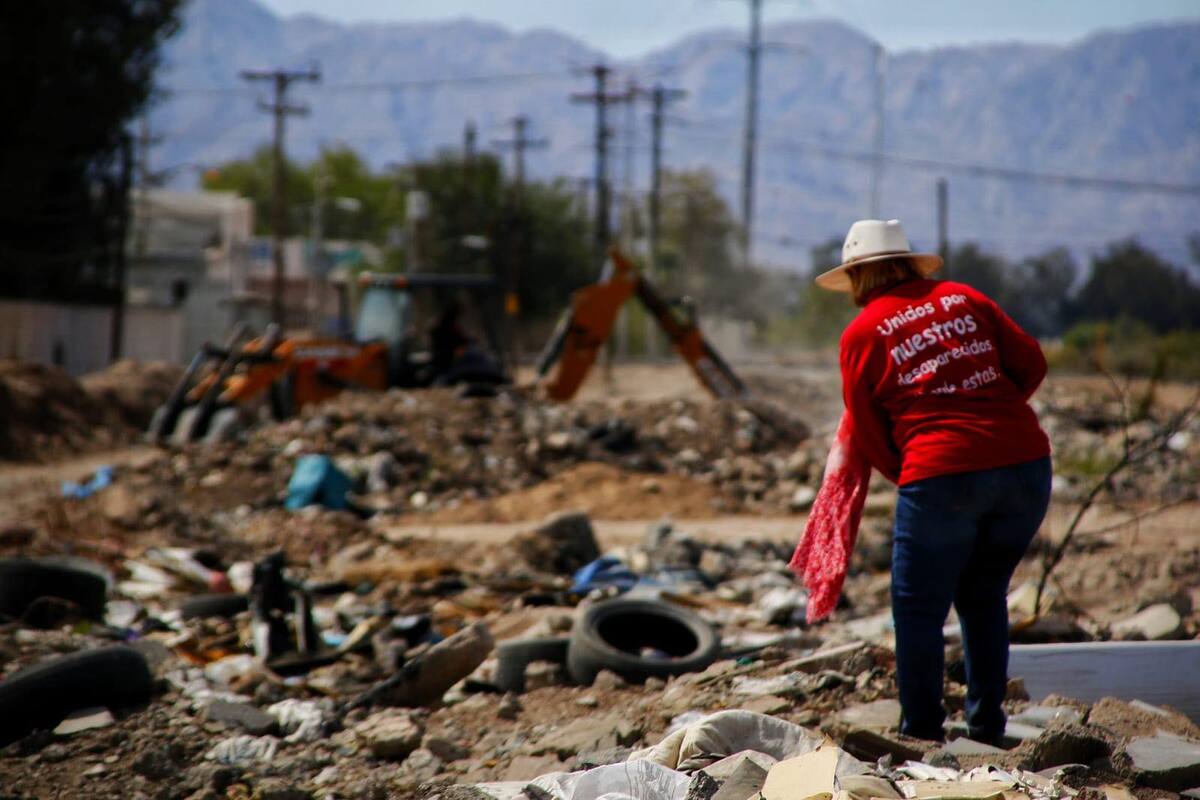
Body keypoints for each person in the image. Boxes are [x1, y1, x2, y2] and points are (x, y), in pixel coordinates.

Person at [816, 219, 1052, 744]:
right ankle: (987, 725)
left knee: (918, 607)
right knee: (984, 594)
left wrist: (915, 472)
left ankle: (922, 732)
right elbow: (1031, 364)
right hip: (1026, 467)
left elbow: (867, 429)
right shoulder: (966, 298)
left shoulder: (862, 333)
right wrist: (991, 418)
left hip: (941, 474)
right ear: (906, 263)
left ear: (857, 275)